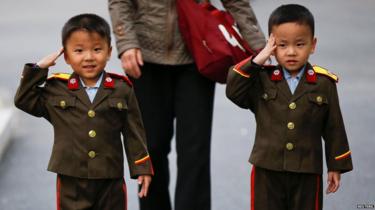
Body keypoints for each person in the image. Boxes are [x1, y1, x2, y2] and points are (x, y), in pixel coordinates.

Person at [108, 0, 266, 210]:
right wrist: (126, 42)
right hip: (145, 57)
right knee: (150, 150)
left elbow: (235, 2)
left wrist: (261, 48)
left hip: (198, 53)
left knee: (195, 152)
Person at [14, 13, 153, 210]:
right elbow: (24, 100)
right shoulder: (56, 88)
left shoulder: (122, 88)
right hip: (71, 179)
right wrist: (38, 68)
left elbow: (134, 132)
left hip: (110, 178)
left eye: (97, 49)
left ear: (109, 52)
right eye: (79, 50)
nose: (89, 57)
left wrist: (142, 167)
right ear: (67, 56)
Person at [226, 4, 353, 210]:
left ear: (313, 45)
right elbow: (233, 89)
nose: (291, 52)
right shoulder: (262, 80)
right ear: (272, 45)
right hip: (267, 170)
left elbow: (334, 127)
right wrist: (259, 58)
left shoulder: (323, 83)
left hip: (307, 171)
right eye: (282, 45)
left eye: (300, 44)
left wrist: (336, 166)